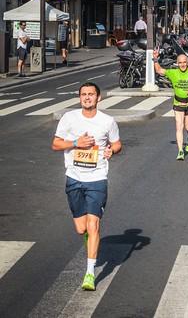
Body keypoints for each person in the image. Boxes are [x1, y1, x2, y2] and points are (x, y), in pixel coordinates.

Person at [51, 82, 122, 291]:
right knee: (81, 228)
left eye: (91, 94)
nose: (87, 97)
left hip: (97, 179)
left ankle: (90, 273)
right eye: (83, 94)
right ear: (80, 97)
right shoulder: (69, 118)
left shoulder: (107, 121)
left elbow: (117, 143)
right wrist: (75, 144)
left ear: (98, 98)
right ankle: (88, 237)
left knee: (93, 225)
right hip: (74, 178)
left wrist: (112, 150)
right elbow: (56, 144)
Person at [153, 49, 188, 160]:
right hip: (178, 103)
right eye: (180, 62)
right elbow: (159, 71)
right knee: (179, 126)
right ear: (177, 63)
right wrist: (155, 58)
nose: (182, 64)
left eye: (184, 62)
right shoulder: (173, 73)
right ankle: (180, 151)